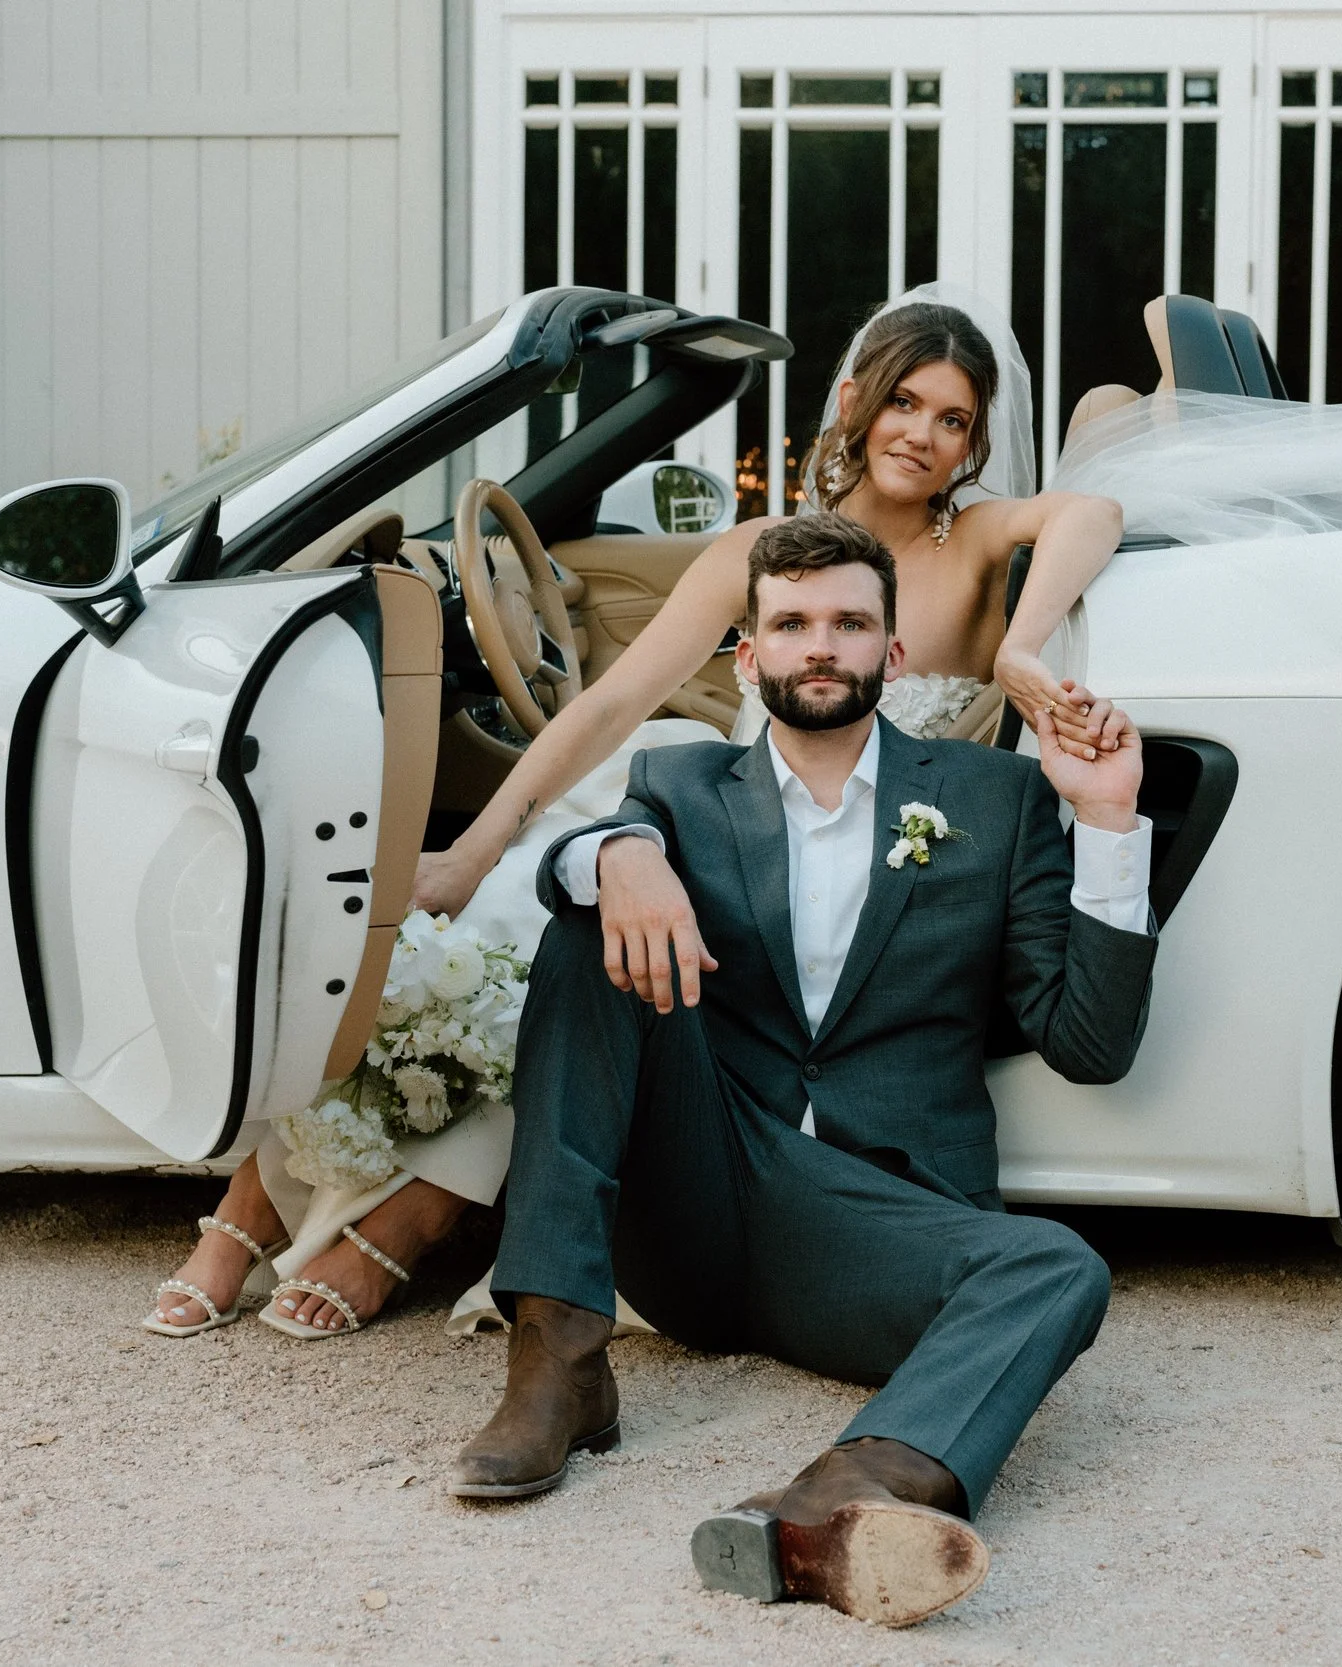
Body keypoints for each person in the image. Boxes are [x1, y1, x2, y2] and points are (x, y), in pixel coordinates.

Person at [142, 287, 1132, 1339]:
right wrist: (473, 852)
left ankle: (404, 1217)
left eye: (952, 420)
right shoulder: (755, 545)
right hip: (718, 815)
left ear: (977, 442)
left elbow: (1092, 511)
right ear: (853, 400)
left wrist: (1021, 646)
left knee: (558, 925)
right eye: (904, 402)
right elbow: (611, 703)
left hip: (825, 866)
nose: (922, 436)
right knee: (488, 910)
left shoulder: (975, 538)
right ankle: (254, 1206)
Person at [445, 514, 1157, 1628]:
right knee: (589, 919)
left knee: (1056, 1268)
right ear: (750, 654)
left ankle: (842, 1495)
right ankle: (557, 1359)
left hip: (879, 1227)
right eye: (791, 623)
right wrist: (615, 850)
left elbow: (1090, 1045)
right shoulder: (678, 786)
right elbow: (587, 867)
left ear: (893, 653)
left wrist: (1107, 819)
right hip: (702, 1194)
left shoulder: (993, 798)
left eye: (848, 623)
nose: (818, 644)